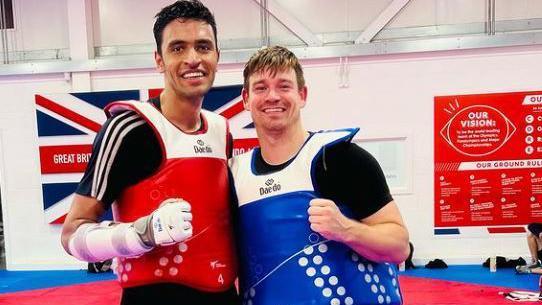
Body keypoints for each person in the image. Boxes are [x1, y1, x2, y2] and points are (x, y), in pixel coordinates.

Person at [60, 1, 238, 304]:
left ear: (217, 56)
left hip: (224, 296)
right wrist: (140, 234)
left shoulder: (222, 131)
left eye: (203, 47)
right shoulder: (128, 128)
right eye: (178, 48)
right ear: (159, 60)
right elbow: (72, 236)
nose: (193, 59)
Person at [229, 46, 410, 305]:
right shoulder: (234, 175)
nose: (272, 96)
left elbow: (399, 246)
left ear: (302, 95)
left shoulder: (340, 158)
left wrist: (346, 230)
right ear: (246, 99)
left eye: (284, 86)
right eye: (261, 88)